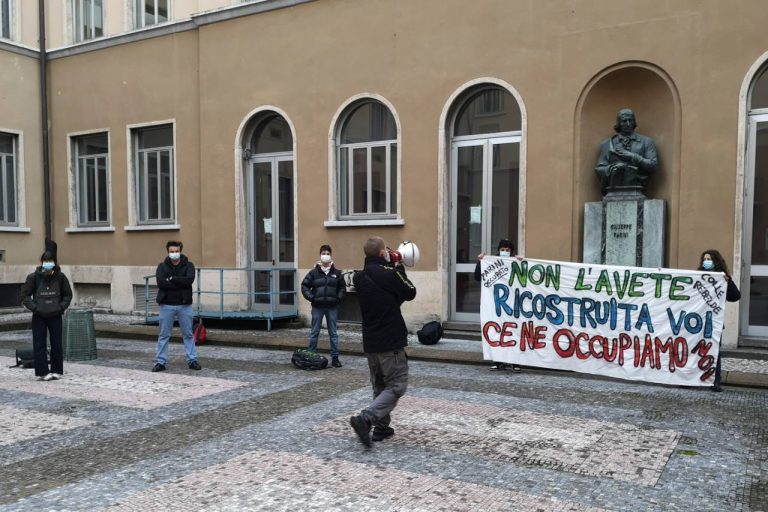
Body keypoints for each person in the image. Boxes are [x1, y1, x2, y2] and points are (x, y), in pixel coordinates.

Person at [349, 236, 417, 447]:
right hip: (390, 340)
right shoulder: (390, 273)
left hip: (371, 341)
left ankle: (382, 428)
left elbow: (391, 299)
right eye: (386, 250)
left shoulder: (359, 278)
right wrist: (398, 267)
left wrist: (391, 267)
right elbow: (410, 291)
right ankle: (366, 418)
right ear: (381, 254)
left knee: (379, 385)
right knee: (397, 385)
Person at [20, 248, 72, 381]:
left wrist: (61, 308)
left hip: (55, 315)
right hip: (39, 316)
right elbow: (25, 295)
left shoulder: (61, 277)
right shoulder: (33, 277)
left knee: (56, 343)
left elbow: (67, 294)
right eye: (46, 261)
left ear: (54, 262)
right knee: (39, 344)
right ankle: (43, 372)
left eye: (50, 261)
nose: (48, 263)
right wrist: (35, 308)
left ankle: (56, 370)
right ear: (42, 262)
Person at [152, 240, 201, 372]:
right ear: (168, 252)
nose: (174, 254)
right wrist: (179, 281)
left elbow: (189, 280)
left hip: (184, 305)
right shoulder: (162, 266)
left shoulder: (189, 265)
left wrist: (172, 278)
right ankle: (160, 362)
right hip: (166, 305)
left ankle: (192, 360)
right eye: (172, 252)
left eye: (177, 251)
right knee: (163, 335)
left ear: (181, 251)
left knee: (188, 334)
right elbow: (161, 283)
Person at [475, 239, 521, 372]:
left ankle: (515, 361)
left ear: (511, 251)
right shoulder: (492, 262)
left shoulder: (515, 263)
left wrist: (522, 262)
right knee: (497, 332)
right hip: (496, 306)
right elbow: (478, 277)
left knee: (513, 332)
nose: (505, 252)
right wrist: (480, 262)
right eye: (503, 250)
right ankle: (498, 360)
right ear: (499, 250)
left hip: (513, 305)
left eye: (507, 250)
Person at [698, 249, 741, 392]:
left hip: (714, 322)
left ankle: (715, 381)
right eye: (704, 259)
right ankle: (689, 378)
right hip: (697, 322)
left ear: (716, 261)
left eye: (709, 259)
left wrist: (728, 282)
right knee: (693, 349)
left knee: (714, 351)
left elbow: (735, 296)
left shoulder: (723, 279)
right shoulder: (697, 276)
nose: (706, 262)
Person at [595, 108, 658, 196]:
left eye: (630, 120)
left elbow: (653, 165)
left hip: (637, 188)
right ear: (619, 123)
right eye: (624, 121)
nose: (628, 124)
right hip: (613, 189)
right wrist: (613, 169)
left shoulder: (646, 142)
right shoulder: (607, 144)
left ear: (634, 122)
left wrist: (632, 156)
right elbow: (600, 169)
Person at [301, 244, 346, 368]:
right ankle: (312, 355)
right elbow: (304, 286)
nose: (325, 255)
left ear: (331, 255)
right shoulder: (314, 273)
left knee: (333, 333)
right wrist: (311, 297)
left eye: (327, 253)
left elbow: (342, 288)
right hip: (317, 306)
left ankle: (335, 358)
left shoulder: (337, 273)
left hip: (332, 307)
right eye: (323, 253)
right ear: (320, 255)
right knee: (315, 332)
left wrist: (338, 298)